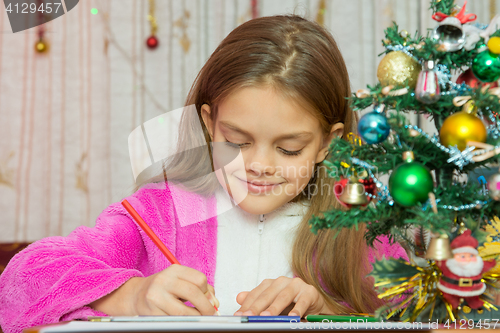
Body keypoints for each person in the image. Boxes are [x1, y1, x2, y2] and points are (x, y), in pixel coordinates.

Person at [0, 15, 407, 333]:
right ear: (210, 124)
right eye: (238, 140)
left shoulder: (358, 226)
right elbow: (21, 283)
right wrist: (132, 294)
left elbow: (422, 312)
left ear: (327, 143)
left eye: (289, 148)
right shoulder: (162, 212)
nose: (259, 164)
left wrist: (325, 310)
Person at [437, 230, 496, 309]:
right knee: (449, 296)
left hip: (473, 290)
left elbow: (486, 266)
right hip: (451, 288)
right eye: (462, 257)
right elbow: (440, 263)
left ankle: (473, 302)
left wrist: (491, 263)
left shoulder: (478, 264)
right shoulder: (449, 263)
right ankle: (452, 302)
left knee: (473, 298)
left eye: (471, 256)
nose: (467, 259)